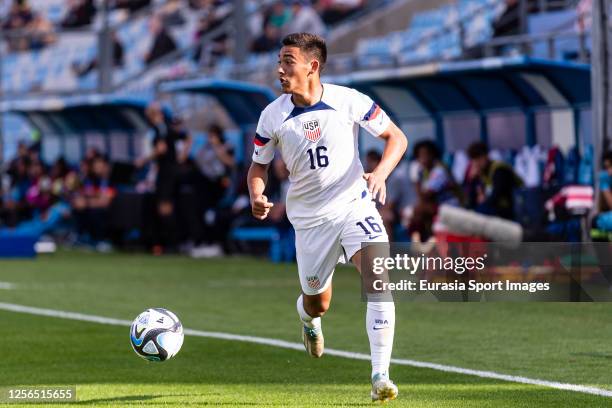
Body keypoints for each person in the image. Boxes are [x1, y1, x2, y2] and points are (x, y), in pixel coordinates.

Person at [247, 33, 407, 401]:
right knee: (318, 301)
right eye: (279, 61)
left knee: (378, 278)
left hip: (354, 206)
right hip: (310, 223)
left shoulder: (348, 100)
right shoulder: (272, 115)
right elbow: (258, 168)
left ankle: (380, 375)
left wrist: (380, 173)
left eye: (288, 61)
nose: (280, 69)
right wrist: (258, 195)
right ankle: (308, 318)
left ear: (312, 66)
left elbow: (396, 138)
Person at [465, 141, 523, 220]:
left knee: (480, 212)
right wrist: (473, 180)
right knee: (469, 211)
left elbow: (496, 196)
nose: (477, 163)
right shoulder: (481, 173)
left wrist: (484, 201)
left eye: (479, 159)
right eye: (474, 160)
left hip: (509, 210)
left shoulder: (499, 170)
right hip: (494, 208)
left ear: (486, 156)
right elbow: (472, 201)